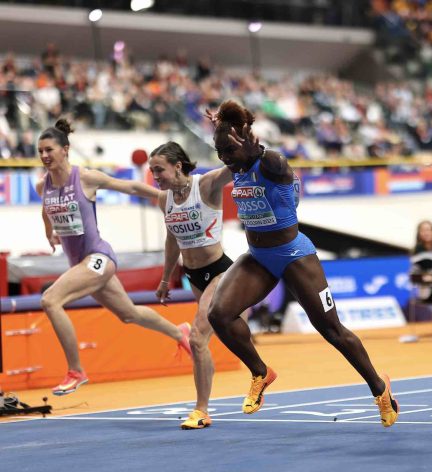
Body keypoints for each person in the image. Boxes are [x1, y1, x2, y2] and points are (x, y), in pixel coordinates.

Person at [204, 101, 398, 427]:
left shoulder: (271, 164)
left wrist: (259, 151)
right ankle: (260, 372)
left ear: (247, 144)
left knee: (332, 331)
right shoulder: (238, 167)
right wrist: (228, 136)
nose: (224, 158)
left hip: (294, 255)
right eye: (219, 151)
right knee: (218, 314)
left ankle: (380, 389)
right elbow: (234, 155)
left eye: (229, 150)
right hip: (258, 257)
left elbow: (278, 165)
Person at [35, 119, 191, 396]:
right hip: (81, 264)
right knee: (129, 314)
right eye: (40, 151)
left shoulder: (85, 178)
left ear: (65, 150)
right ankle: (180, 332)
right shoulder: (42, 186)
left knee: (50, 300)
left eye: (49, 150)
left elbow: (130, 187)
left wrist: (164, 198)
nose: (45, 155)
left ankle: (75, 371)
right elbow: (46, 210)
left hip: (98, 257)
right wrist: (50, 233)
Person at [150, 141, 238, 430]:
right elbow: (172, 239)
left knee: (197, 339)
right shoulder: (164, 199)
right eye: (152, 170)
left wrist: (237, 139)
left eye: (159, 169)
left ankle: (201, 410)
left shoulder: (206, 185)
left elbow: (234, 167)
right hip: (193, 274)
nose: (155, 176)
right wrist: (166, 278)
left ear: (178, 166)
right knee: (205, 342)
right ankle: (260, 371)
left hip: (219, 270)